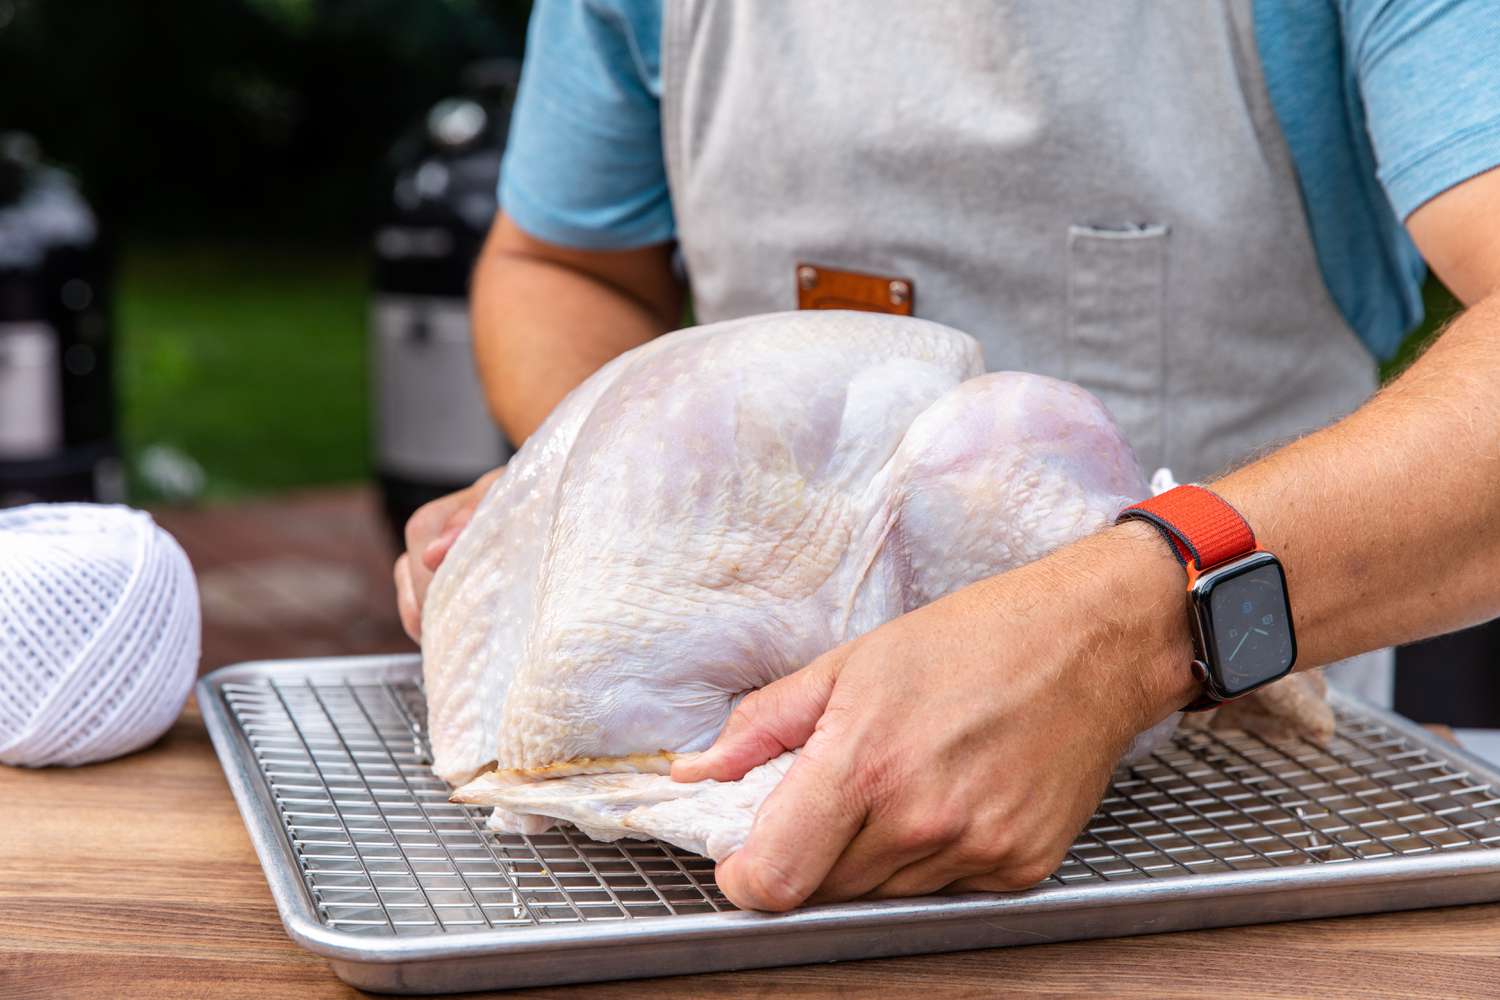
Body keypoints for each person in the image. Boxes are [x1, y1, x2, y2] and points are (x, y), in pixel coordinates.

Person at [394, 1, 1500, 911]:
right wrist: (599, 484)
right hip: (722, 838)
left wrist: (1123, 630)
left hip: (1241, 811)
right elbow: (563, 266)